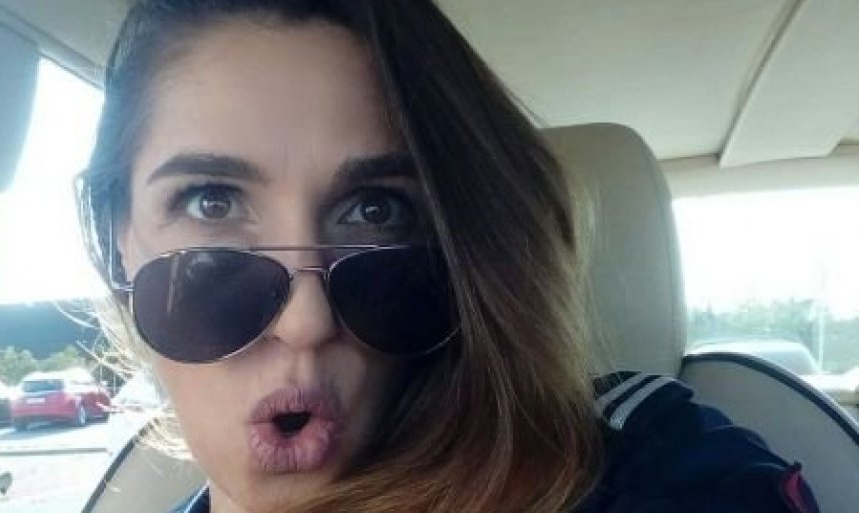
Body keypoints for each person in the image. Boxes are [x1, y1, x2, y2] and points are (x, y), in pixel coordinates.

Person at [77, 1, 820, 512]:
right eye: (211, 202)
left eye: (376, 210)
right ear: (119, 243)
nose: (306, 322)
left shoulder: (640, 465)